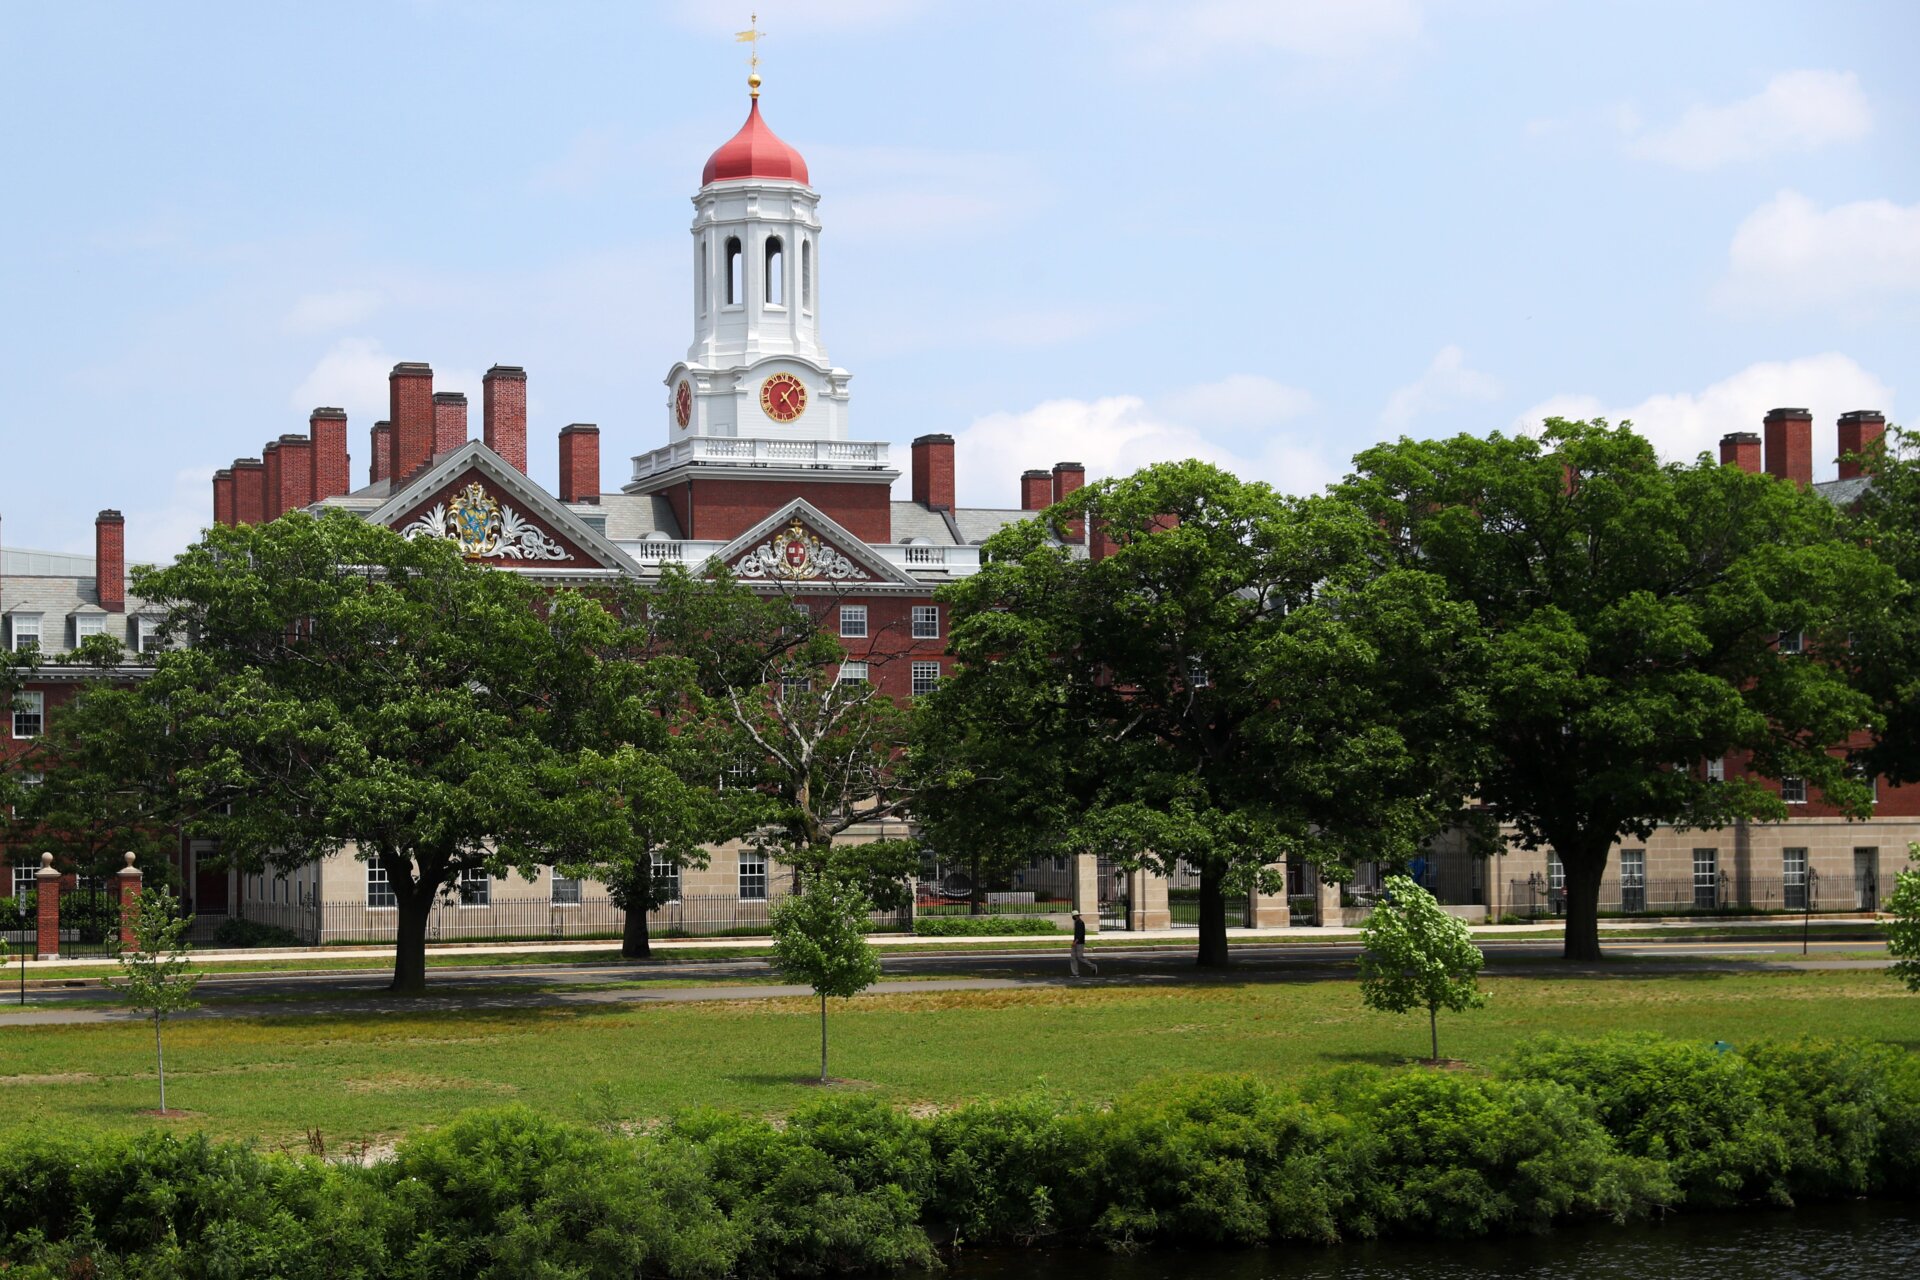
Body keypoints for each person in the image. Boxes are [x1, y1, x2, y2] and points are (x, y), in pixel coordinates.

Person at [1070, 911, 1098, 978]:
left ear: (1075, 916)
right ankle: (1075, 973)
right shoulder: (1077, 922)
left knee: (1080, 957)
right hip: (1076, 942)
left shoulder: (1080, 923)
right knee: (1073, 957)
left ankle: (1093, 966)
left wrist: (1075, 942)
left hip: (1079, 943)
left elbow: (1080, 934)